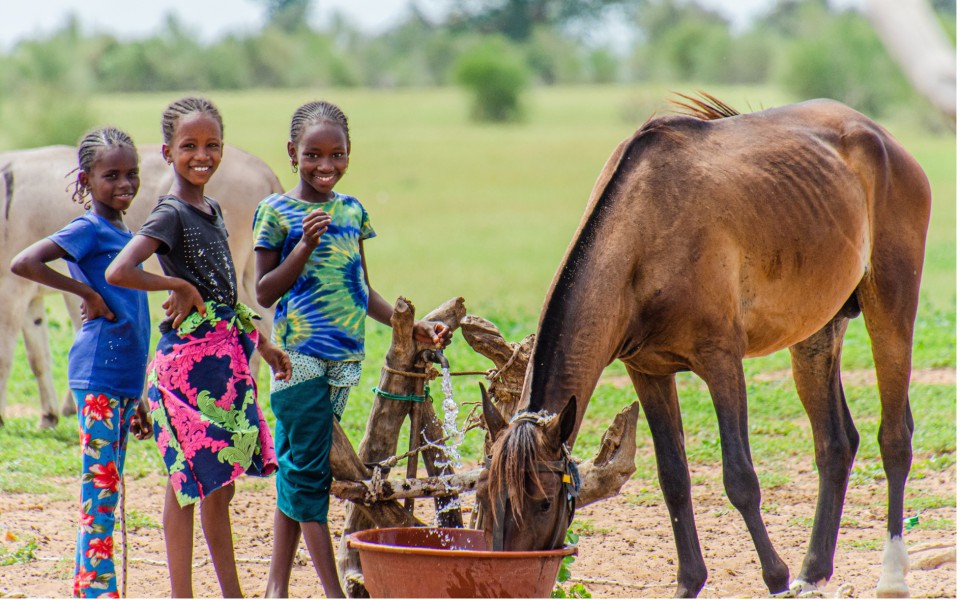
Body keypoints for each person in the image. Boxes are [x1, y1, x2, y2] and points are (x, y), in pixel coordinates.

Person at [252, 100, 451, 598]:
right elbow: (263, 292)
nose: (325, 166)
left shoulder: (351, 210)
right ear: (291, 152)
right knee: (312, 476)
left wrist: (412, 326)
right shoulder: (275, 212)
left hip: (345, 363)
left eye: (336, 155)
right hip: (297, 359)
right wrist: (301, 247)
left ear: (348, 154)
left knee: (299, 464)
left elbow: (363, 290)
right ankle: (333, 593)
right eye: (313, 155)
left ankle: (277, 585)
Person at [105, 96, 292, 598]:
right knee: (193, 484)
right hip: (187, 368)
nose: (201, 155)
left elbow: (226, 295)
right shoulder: (169, 213)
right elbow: (119, 270)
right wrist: (177, 288)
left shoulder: (210, 208)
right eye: (189, 146)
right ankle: (190, 594)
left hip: (223, 363)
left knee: (216, 484)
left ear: (223, 149)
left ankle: (221, 593)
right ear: (167, 152)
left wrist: (265, 345)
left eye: (212, 145)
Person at [10, 127, 153, 598]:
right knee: (100, 494)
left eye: (131, 174)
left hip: (121, 382)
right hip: (96, 377)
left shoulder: (123, 231)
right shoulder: (89, 229)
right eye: (111, 175)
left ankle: (88, 588)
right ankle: (97, 592)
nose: (124, 184)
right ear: (86, 180)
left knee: (106, 496)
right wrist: (84, 291)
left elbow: (133, 317)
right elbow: (25, 262)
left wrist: (140, 398)